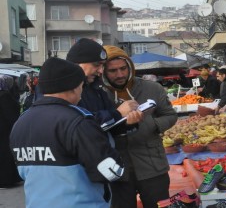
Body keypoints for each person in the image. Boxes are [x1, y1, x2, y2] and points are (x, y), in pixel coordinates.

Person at [10, 58, 124, 207]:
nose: (82, 91)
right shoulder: (78, 121)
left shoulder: (21, 122)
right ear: (73, 86)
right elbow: (110, 171)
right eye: (81, 86)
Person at [102, 45, 178, 208]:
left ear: (130, 66)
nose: (120, 74)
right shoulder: (100, 95)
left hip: (152, 165)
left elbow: (170, 115)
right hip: (118, 170)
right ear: (103, 72)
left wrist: (151, 124)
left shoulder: (152, 88)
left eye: (123, 68)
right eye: (113, 71)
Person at [66, 38, 143, 146]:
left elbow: (108, 128)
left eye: (102, 65)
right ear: (78, 63)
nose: (101, 70)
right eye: (96, 65)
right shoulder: (61, 89)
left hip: (101, 156)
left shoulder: (97, 88)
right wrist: (118, 113)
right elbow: (77, 124)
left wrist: (127, 122)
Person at [0, 75, 22, 188]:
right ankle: (6, 179)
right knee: (6, 155)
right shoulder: (5, 96)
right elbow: (11, 115)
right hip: (5, 130)